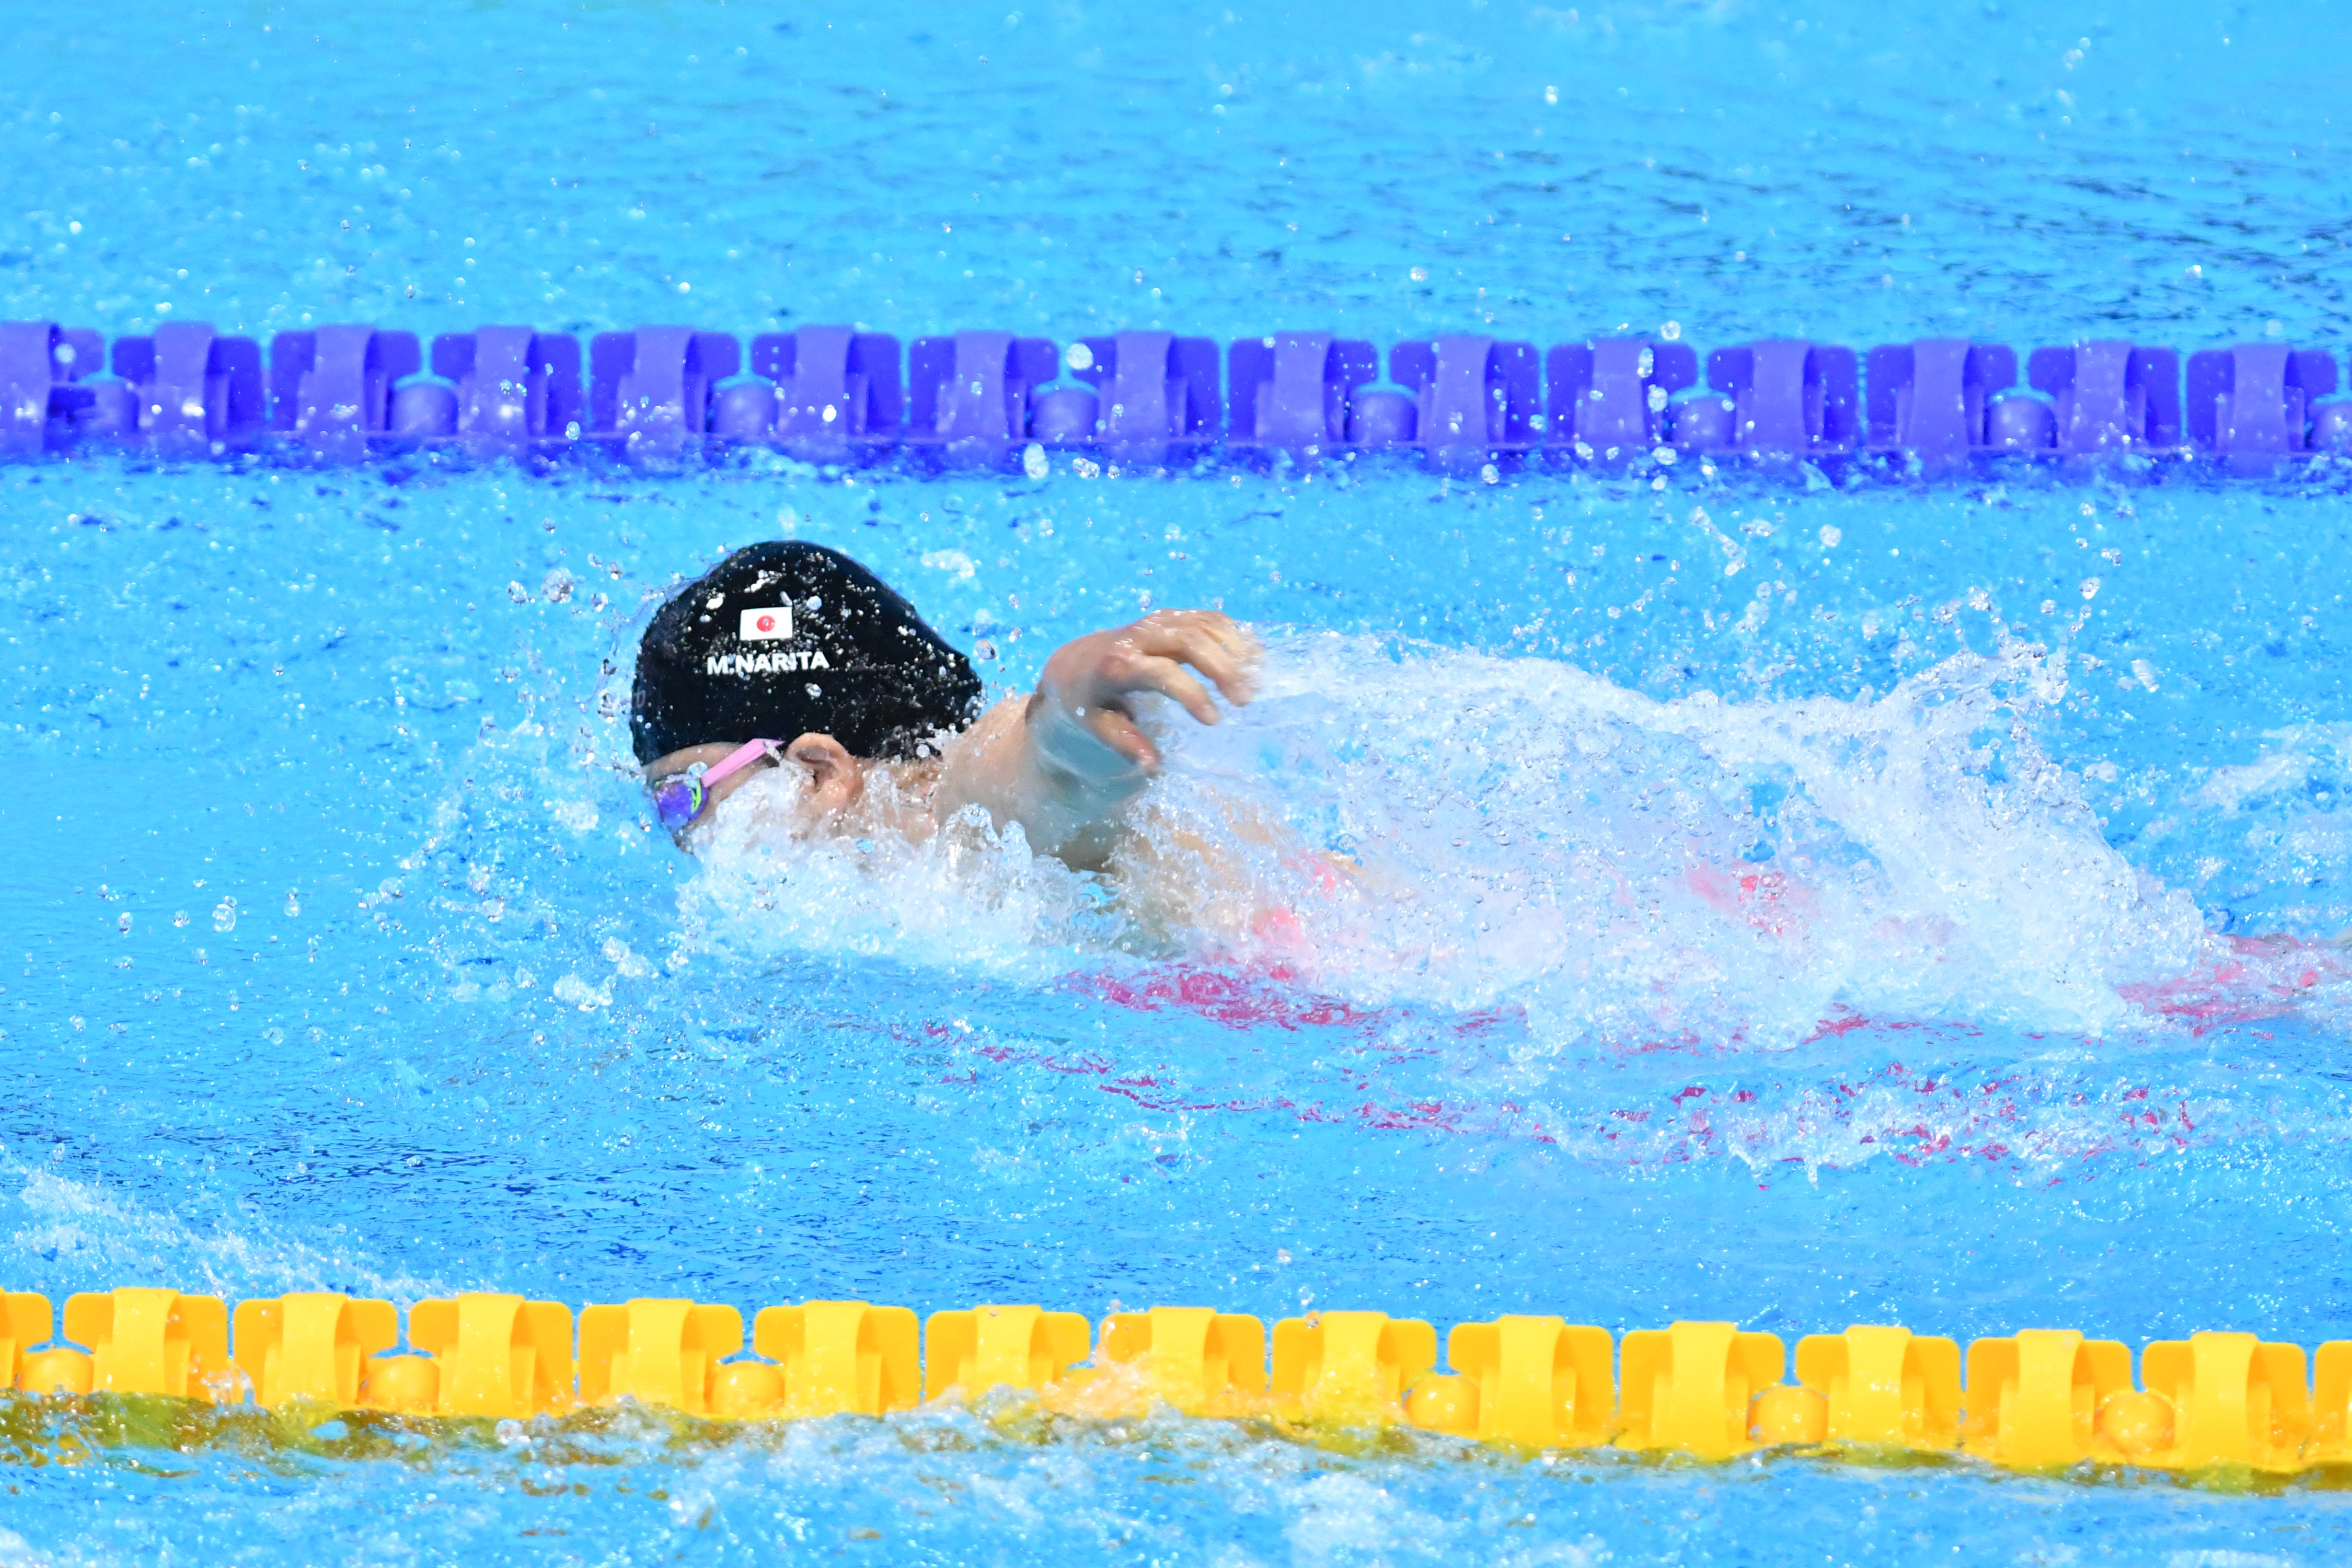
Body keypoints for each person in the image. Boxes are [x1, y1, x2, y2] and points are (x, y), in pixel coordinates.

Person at [630, 541, 1260, 873]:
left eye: (680, 796)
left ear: (821, 773)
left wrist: (1071, 711)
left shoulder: (953, 827)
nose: (678, 836)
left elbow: (1032, 782)